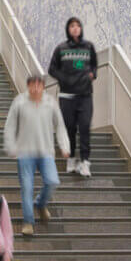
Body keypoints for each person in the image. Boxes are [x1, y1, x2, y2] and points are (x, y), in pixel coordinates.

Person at [2, 74, 70, 236]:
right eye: (32, 86)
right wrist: (11, 147)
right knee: (26, 188)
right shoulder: (19, 102)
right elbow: (10, 126)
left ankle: (40, 203)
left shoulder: (50, 103)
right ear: (28, 86)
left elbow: (60, 126)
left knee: (52, 181)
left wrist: (64, 146)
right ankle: (28, 222)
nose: (35, 89)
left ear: (43, 87)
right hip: (25, 153)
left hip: (46, 152)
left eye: (39, 86)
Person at [48, 17, 98, 177]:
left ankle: (85, 162)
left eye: (77, 26)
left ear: (81, 28)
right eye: (72, 26)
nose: (75, 28)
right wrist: (63, 78)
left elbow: (94, 64)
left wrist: (92, 74)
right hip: (67, 96)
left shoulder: (88, 47)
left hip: (85, 95)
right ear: (68, 29)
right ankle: (71, 159)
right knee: (69, 128)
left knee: (84, 127)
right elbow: (52, 69)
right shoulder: (61, 49)